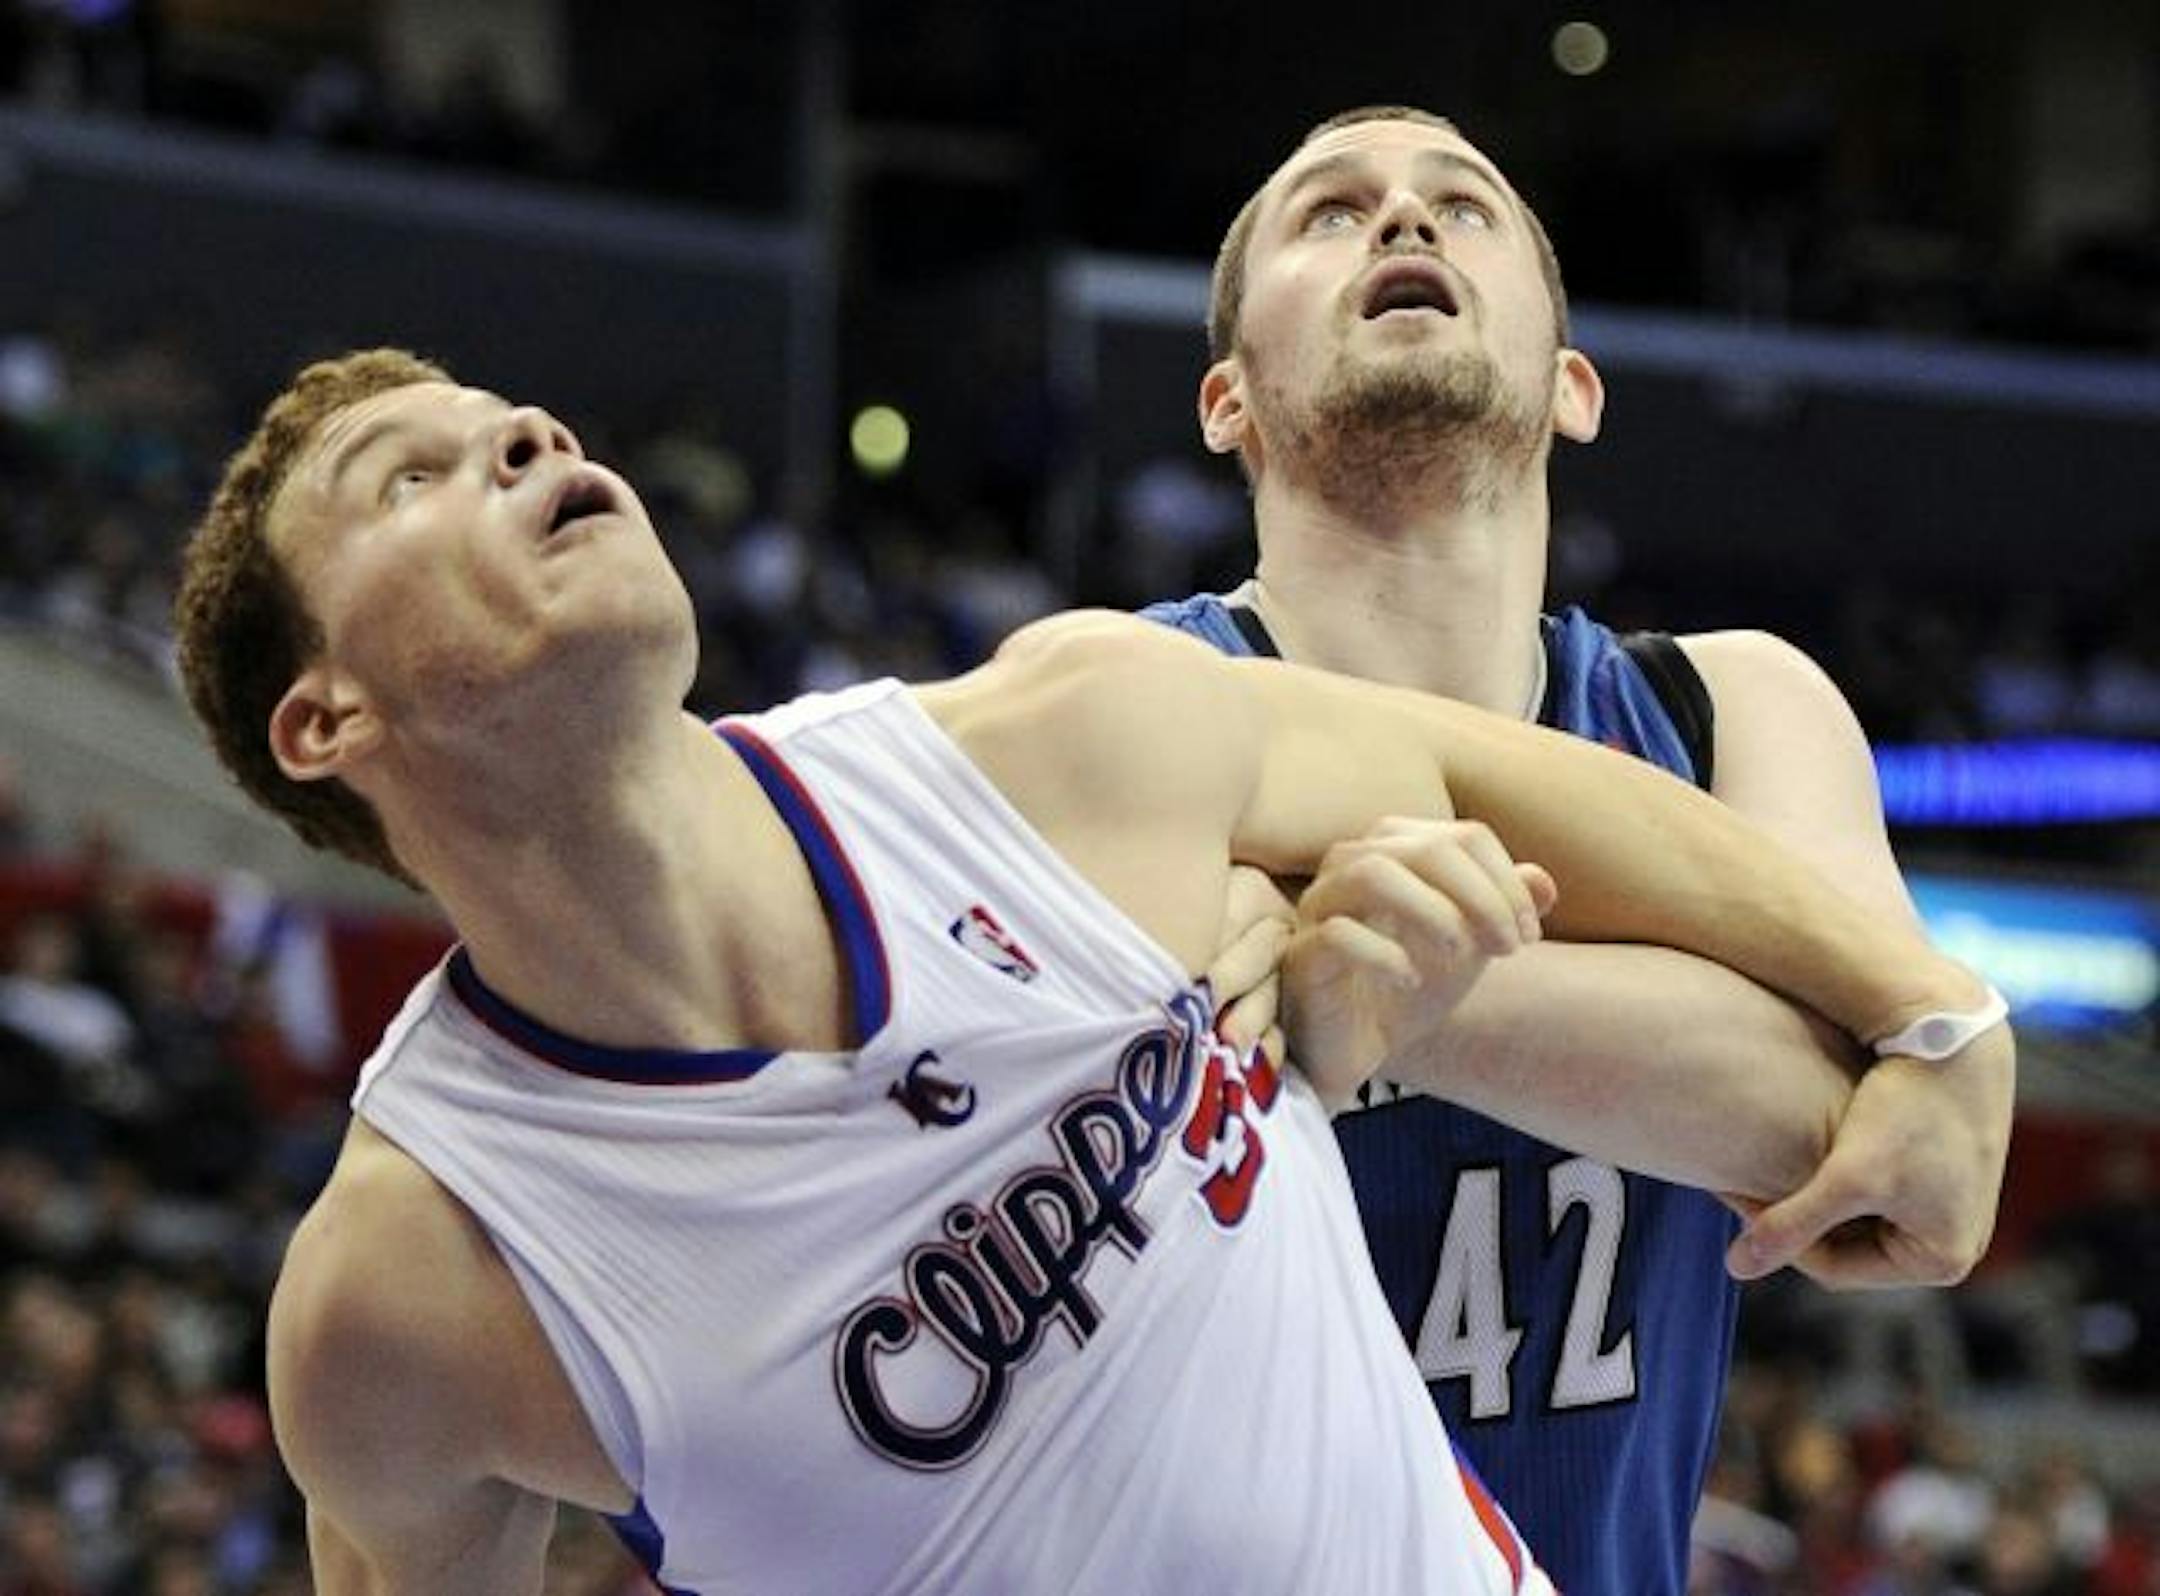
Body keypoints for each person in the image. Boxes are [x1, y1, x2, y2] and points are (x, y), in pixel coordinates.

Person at [172, 349, 2002, 1594]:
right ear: (326, 719)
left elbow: (1512, 778)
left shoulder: (1051, 738)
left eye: (518, 423)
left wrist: (1935, 1007)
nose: (522, 443)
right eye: (410, 474)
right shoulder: (406, 1288)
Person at [1143, 105, 2017, 1593]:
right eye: (1331, 211)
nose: (1405, 222)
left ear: (1573, 388)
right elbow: (1814, 1071)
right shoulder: (1120, 699)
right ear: (1227, 400)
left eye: (1462, 206)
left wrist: (1363, 977)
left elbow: (1857, 1146)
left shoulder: (1736, 702)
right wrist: (1701, 1019)